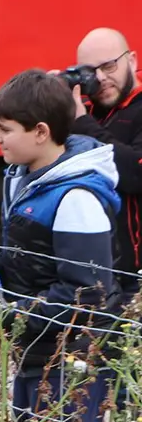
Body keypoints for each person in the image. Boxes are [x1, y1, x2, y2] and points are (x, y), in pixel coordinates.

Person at [0, 68, 121, 422]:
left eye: (5, 130)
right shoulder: (26, 180)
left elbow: (86, 294)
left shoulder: (74, 198)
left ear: (41, 131)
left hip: (67, 364)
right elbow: (32, 262)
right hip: (38, 352)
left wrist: (9, 318)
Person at [60, 29, 142, 300]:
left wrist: (83, 124)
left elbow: (136, 174)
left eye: (109, 66)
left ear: (131, 61)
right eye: (89, 71)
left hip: (134, 280)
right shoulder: (85, 113)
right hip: (95, 276)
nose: (101, 79)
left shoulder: (87, 119)